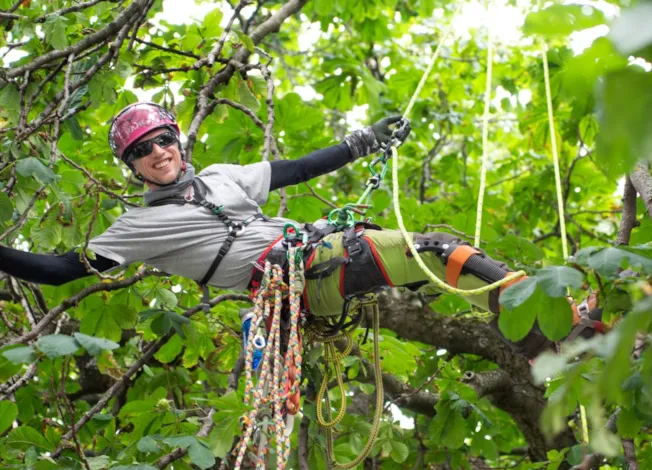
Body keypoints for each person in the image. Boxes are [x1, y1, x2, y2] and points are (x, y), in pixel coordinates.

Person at [0, 102, 600, 359]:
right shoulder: (138, 227)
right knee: (436, 248)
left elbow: (297, 169)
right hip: (293, 280)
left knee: (439, 251)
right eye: (141, 150)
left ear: (177, 141)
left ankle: (546, 330)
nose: (157, 153)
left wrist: (361, 143)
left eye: (162, 140)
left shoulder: (220, 175)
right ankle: (556, 330)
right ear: (131, 167)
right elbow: (59, 271)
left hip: (313, 255)